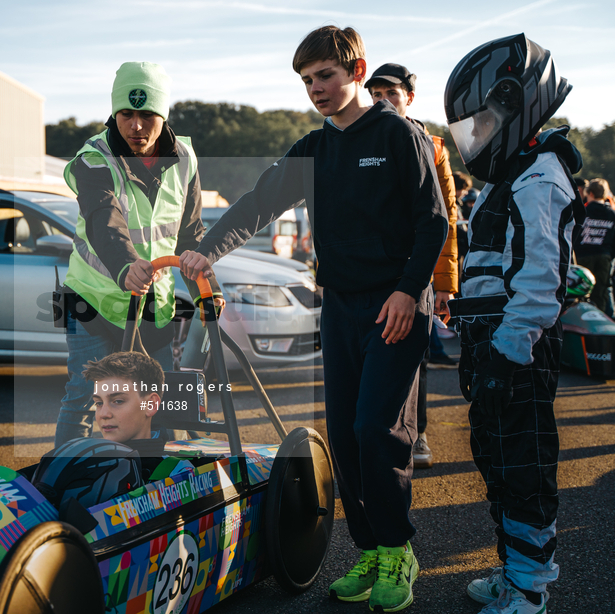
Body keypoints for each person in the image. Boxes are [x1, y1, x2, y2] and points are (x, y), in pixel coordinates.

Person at [181, 26, 447, 612]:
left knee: (380, 430)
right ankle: (370, 550)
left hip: (396, 307)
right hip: (341, 306)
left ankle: (399, 549)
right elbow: (256, 204)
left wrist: (408, 291)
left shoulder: (401, 135)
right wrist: (208, 249)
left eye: (325, 75)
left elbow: (434, 224)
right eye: (306, 81)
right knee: (347, 439)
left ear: (357, 69)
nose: (316, 89)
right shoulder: (313, 148)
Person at [445, 34, 583, 614]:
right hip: (494, 344)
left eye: (480, 124)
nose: (473, 140)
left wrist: (507, 352)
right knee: (496, 462)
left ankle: (529, 588)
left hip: (516, 349)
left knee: (524, 469)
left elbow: (538, 279)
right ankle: (514, 570)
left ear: (512, 102)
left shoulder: (539, 179)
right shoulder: (513, 175)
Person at [54, 61, 222, 448]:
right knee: (84, 398)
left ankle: (156, 489)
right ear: (114, 113)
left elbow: (190, 236)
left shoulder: (184, 160)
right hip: (93, 300)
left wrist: (206, 291)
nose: (136, 126)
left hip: (151, 303)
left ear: (164, 115)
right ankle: (65, 482)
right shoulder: (93, 158)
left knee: (156, 402)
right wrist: (125, 266)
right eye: (126, 114)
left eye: (147, 115)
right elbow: (103, 219)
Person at [366, 62, 460, 470]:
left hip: (415, 273)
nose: (381, 101)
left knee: (412, 358)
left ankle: (416, 433)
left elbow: (446, 219)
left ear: (409, 97)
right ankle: (372, 437)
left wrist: (444, 285)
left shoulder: (434, 146)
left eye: (390, 94)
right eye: (375, 94)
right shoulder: (360, 138)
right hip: (371, 274)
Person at [84, 351, 194, 478]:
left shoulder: (177, 472)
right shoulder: (87, 464)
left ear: (150, 405)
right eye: (98, 403)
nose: (103, 414)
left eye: (118, 401)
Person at [573, 179, 615, 315]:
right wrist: (610, 257)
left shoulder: (583, 211)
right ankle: (599, 324)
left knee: (581, 292)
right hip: (604, 257)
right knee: (600, 294)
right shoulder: (613, 214)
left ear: (590, 193)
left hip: (582, 257)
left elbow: (573, 233)